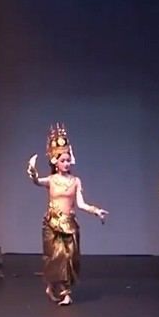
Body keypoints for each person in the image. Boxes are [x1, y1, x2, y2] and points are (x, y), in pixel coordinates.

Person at [27, 123, 108, 306]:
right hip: (52, 223)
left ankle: (56, 287)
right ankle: (64, 293)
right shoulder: (51, 180)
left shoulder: (75, 181)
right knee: (57, 256)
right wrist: (32, 171)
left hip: (69, 224)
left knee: (70, 257)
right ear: (55, 162)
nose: (66, 163)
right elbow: (36, 181)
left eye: (68, 160)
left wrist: (96, 211)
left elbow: (81, 204)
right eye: (63, 160)